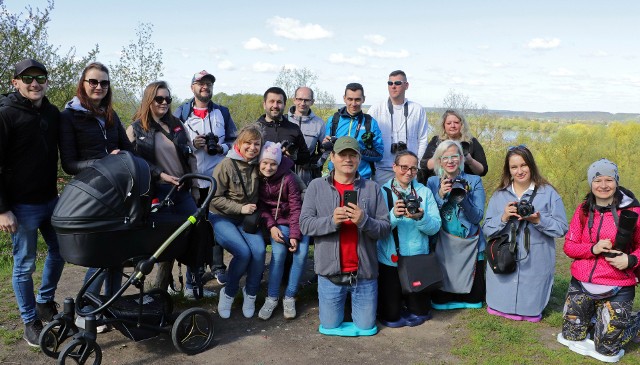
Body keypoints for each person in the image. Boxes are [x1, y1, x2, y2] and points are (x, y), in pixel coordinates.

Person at [59, 62, 134, 331]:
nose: (99, 87)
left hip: (116, 192)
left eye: (104, 83)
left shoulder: (110, 114)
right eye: (93, 82)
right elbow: (69, 163)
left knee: (118, 252)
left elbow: (127, 149)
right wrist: (104, 162)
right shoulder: (69, 116)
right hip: (91, 192)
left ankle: (110, 305)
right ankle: (86, 309)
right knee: (103, 253)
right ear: (83, 83)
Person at [0, 59, 65, 346]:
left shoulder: (52, 113)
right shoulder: (5, 114)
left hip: (51, 200)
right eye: (27, 79)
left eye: (40, 77)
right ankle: (30, 322)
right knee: (24, 265)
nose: (34, 83)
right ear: (15, 82)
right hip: (21, 206)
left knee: (61, 250)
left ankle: (44, 301)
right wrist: (2, 209)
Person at [300, 136, 390, 335]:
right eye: (342, 155)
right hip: (329, 274)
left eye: (353, 155)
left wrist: (364, 221)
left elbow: (384, 229)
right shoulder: (316, 186)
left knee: (366, 326)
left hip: (364, 274)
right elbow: (305, 225)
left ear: (359, 159)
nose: (348, 159)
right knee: (330, 325)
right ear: (332, 157)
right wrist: (331, 221)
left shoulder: (372, 188)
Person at [558, 159, 640, 361]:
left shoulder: (634, 212)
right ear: (590, 183)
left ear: (616, 181)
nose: (603, 185)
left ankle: (634, 323)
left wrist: (630, 260)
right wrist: (592, 249)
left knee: (606, 350)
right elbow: (569, 246)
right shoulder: (583, 210)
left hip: (618, 286)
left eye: (609, 180)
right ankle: (596, 318)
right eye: (598, 180)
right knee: (571, 337)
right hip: (582, 283)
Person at [126, 81, 201, 293]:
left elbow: (190, 156)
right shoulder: (136, 128)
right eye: (159, 99)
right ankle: (161, 285)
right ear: (149, 100)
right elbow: (132, 162)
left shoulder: (177, 125)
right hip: (157, 191)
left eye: (168, 99)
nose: (164, 103)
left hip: (182, 189)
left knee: (193, 230)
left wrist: (194, 187)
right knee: (164, 238)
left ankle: (192, 282)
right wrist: (160, 174)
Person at [483, 145, 568, 322]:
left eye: (523, 165)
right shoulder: (499, 195)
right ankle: (500, 304)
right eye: (514, 167)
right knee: (501, 291)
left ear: (531, 165)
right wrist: (504, 217)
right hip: (503, 256)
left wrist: (538, 220)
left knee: (532, 289)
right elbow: (487, 229)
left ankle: (529, 308)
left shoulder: (549, 193)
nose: (519, 171)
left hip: (536, 258)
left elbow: (561, 228)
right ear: (508, 170)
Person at [174, 70, 239, 296]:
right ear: (192, 86)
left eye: (209, 83)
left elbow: (234, 142)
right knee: (194, 232)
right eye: (201, 83)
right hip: (192, 182)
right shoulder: (181, 113)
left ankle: (217, 268)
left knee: (216, 227)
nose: (205, 87)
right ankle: (193, 282)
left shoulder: (222, 112)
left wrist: (220, 147)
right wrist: (192, 144)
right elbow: (172, 145)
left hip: (218, 183)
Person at [377, 150, 441, 328]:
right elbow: (378, 229)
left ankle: (412, 304)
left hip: (417, 258)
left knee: (420, 313)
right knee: (391, 316)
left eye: (413, 168)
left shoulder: (424, 192)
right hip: (391, 259)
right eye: (404, 167)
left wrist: (421, 218)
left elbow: (435, 227)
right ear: (394, 167)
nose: (408, 172)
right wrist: (394, 216)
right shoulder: (382, 192)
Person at [210, 124, 265, 319]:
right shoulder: (225, 165)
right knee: (243, 252)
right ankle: (229, 292)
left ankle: (250, 293)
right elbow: (214, 198)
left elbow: (281, 169)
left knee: (258, 252)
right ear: (238, 144)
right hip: (222, 216)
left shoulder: (260, 163)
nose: (252, 147)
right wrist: (240, 208)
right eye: (247, 143)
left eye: (257, 144)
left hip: (247, 219)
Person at [426, 140, 485, 310]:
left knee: (474, 300)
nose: (450, 161)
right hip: (443, 242)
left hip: (469, 242)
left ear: (461, 158)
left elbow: (477, 218)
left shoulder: (474, 181)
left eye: (455, 156)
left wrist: (464, 198)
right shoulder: (432, 182)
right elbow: (429, 218)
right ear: (439, 161)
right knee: (440, 299)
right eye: (445, 158)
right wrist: (440, 196)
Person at [256, 142, 309, 320]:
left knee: (300, 254)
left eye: (273, 164)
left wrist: (295, 235)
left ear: (279, 164)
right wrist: (271, 227)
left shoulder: (289, 179)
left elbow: (296, 208)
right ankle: (271, 297)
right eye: (265, 163)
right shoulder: (257, 178)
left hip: (298, 220)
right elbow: (261, 207)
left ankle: (290, 296)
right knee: (278, 255)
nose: (268, 167)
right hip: (277, 222)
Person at [367, 70, 430, 185]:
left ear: (406, 85)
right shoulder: (376, 109)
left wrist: (417, 165)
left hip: (409, 171)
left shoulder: (417, 109)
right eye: (390, 83)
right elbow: (368, 139)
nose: (393, 86)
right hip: (382, 169)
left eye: (397, 83)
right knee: (384, 202)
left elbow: (422, 139)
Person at [323, 83, 384, 180]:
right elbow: (326, 150)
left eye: (357, 99)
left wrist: (354, 148)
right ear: (344, 98)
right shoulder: (334, 120)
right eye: (350, 99)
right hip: (335, 177)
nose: (354, 104)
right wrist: (327, 145)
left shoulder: (370, 123)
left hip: (362, 179)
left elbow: (379, 155)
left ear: (363, 99)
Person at [418, 109, 487, 183]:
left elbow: (483, 171)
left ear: (462, 124)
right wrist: (441, 159)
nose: (453, 126)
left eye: (456, 122)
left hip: (465, 185)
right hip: (438, 184)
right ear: (443, 125)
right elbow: (423, 164)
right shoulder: (436, 141)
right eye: (449, 123)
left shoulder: (471, 142)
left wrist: (470, 161)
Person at [256, 87, 310, 167]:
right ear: (264, 104)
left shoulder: (294, 129)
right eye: (271, 101)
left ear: (284, 105)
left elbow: (306, 157)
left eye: (279, 102)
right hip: (259, 178)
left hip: (286, 178)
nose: (275, 105)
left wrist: (292, 155)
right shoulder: (254, 129)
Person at [287, 86, 326, 185]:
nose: (303, 103)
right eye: (299, 99)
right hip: (284, 173)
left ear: (312, 101)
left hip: (308, 176)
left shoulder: (319, 123)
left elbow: (325, 150)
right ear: (294, 100)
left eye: (307, 100)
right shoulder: (284, 120)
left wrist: (314, 164)